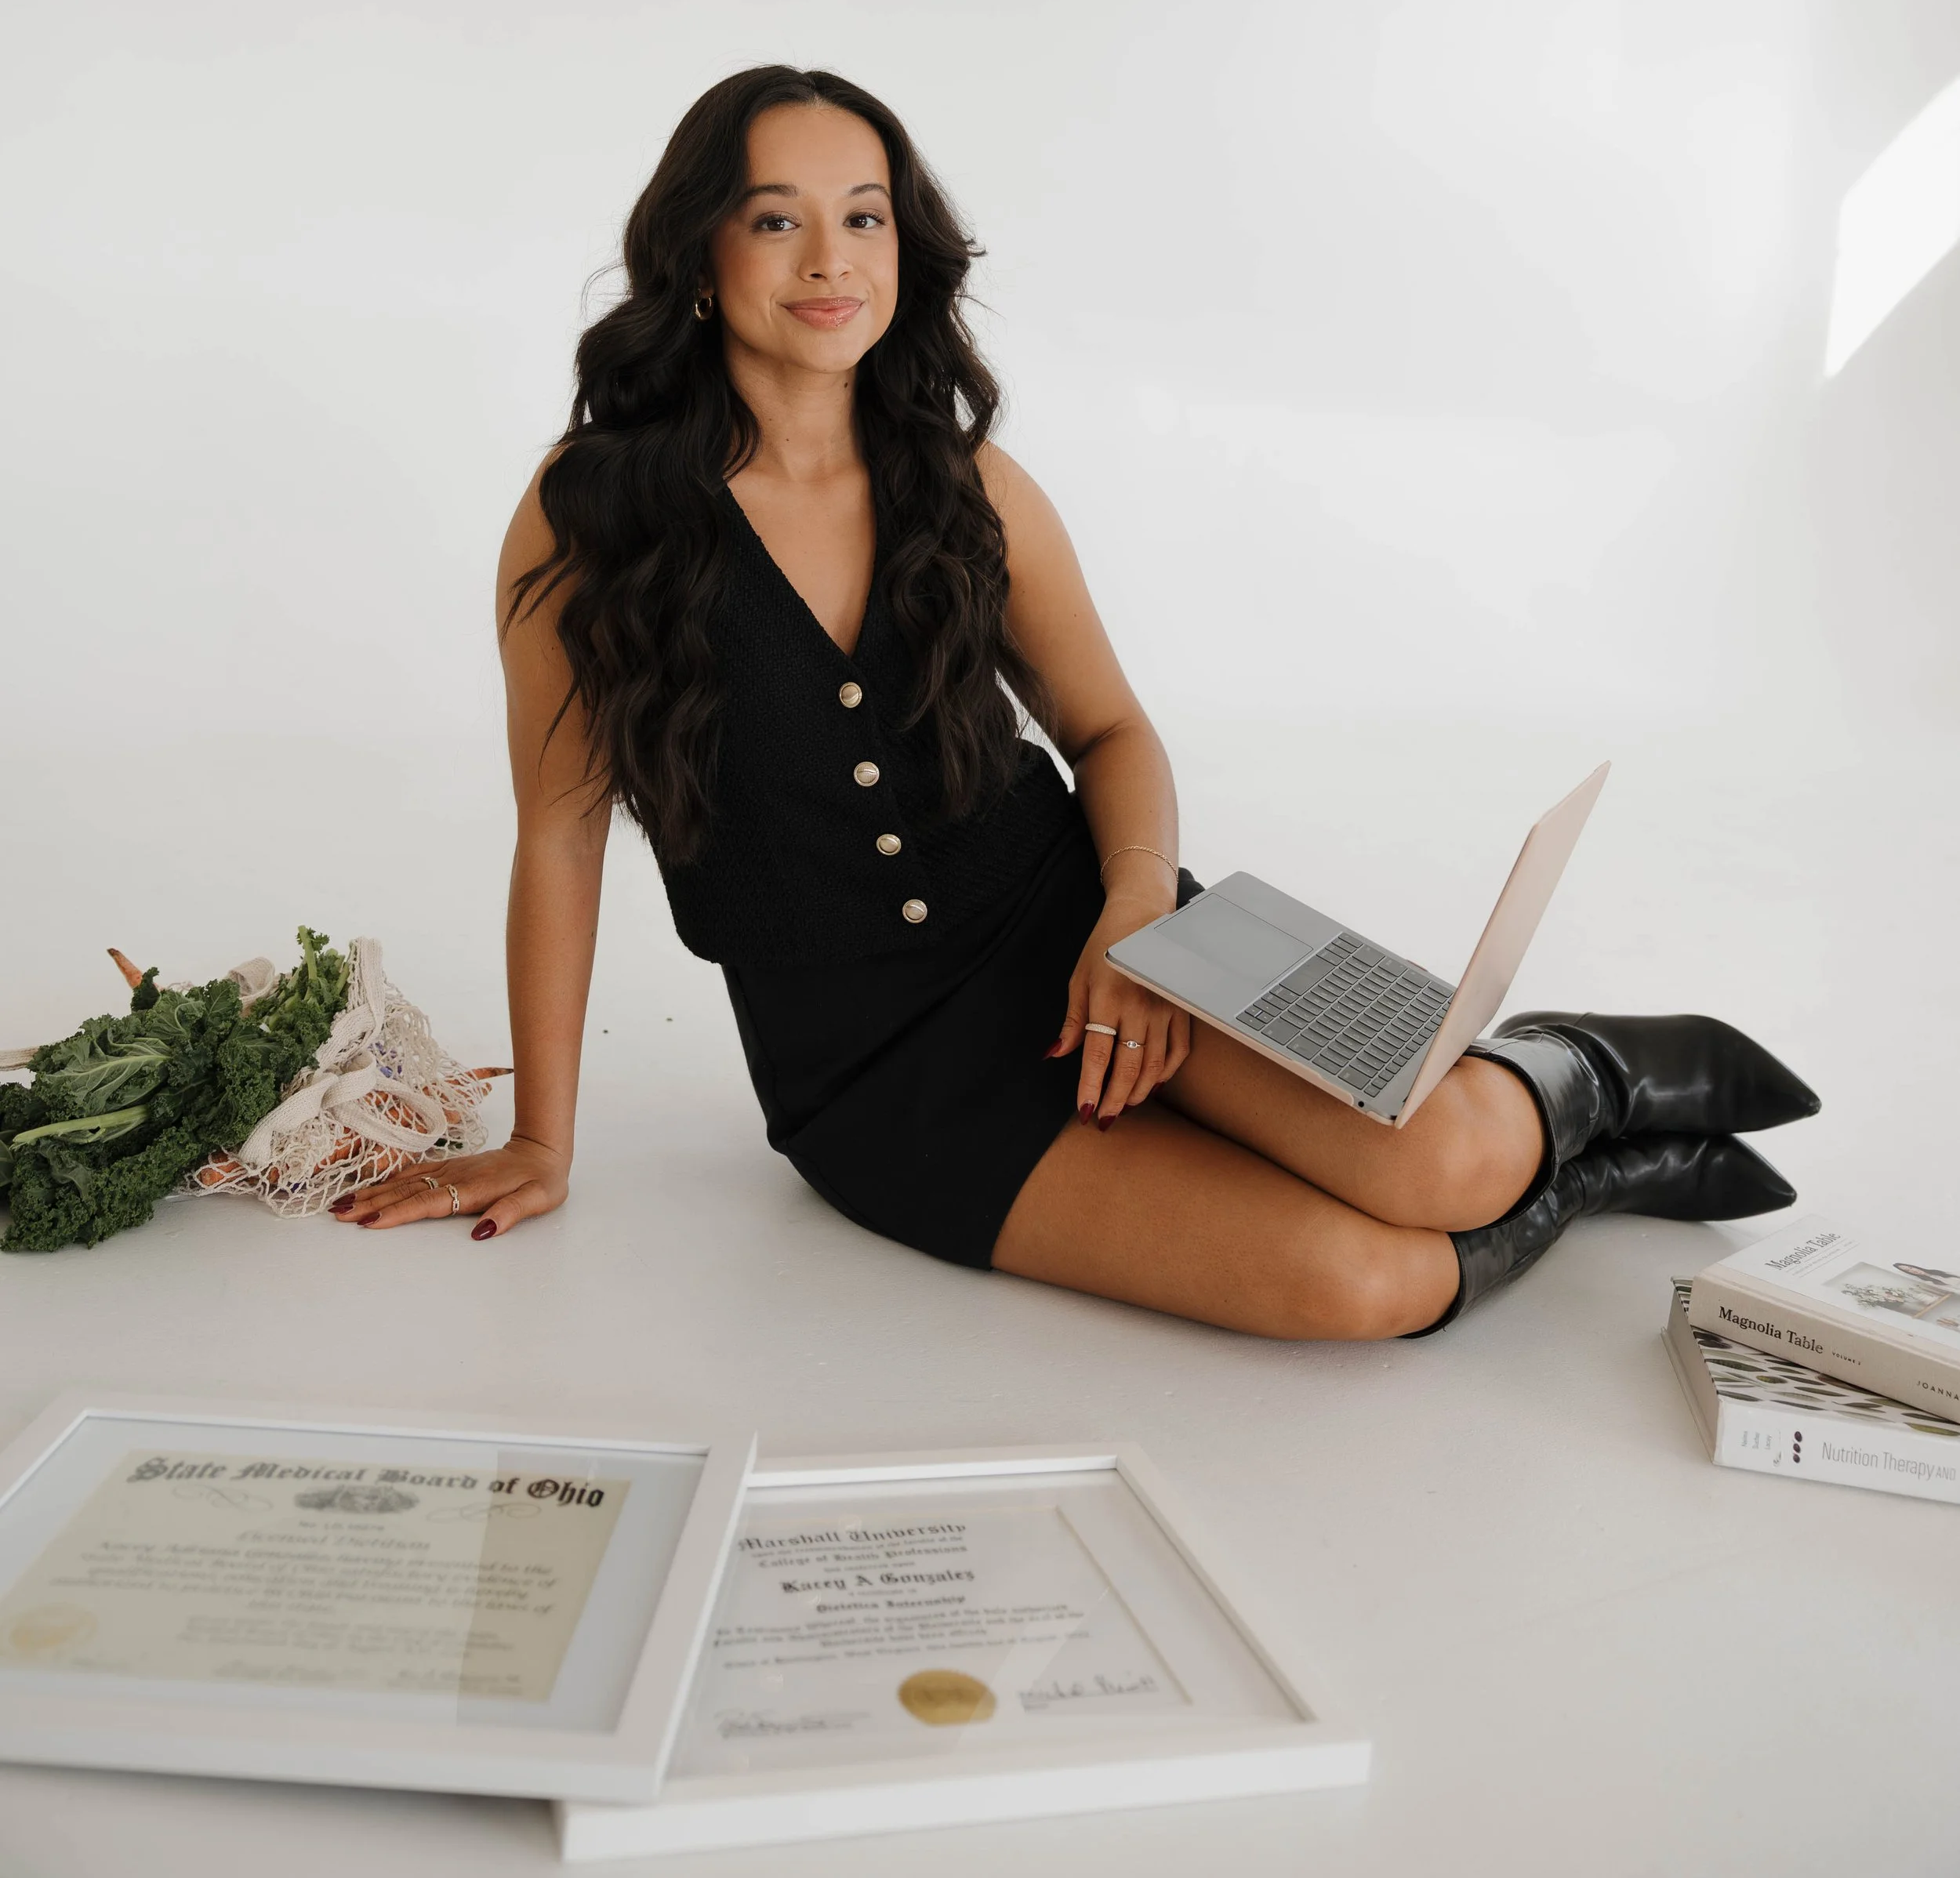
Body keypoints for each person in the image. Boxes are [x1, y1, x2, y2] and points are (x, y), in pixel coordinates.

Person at [332, 67, 1818, 1335]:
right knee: (1371, 1284)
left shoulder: (969, 483)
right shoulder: (593, 512)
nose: (831, 258)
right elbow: (560, 829)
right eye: (777, 217)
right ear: (700, 249)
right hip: (879, 1074)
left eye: (865, 216)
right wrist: (543, 1136)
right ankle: (1604, 1175)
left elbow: (1113, 733)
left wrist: (1134, 919)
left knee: (1454, 1161)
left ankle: (1587, 1071)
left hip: (1120, 935)